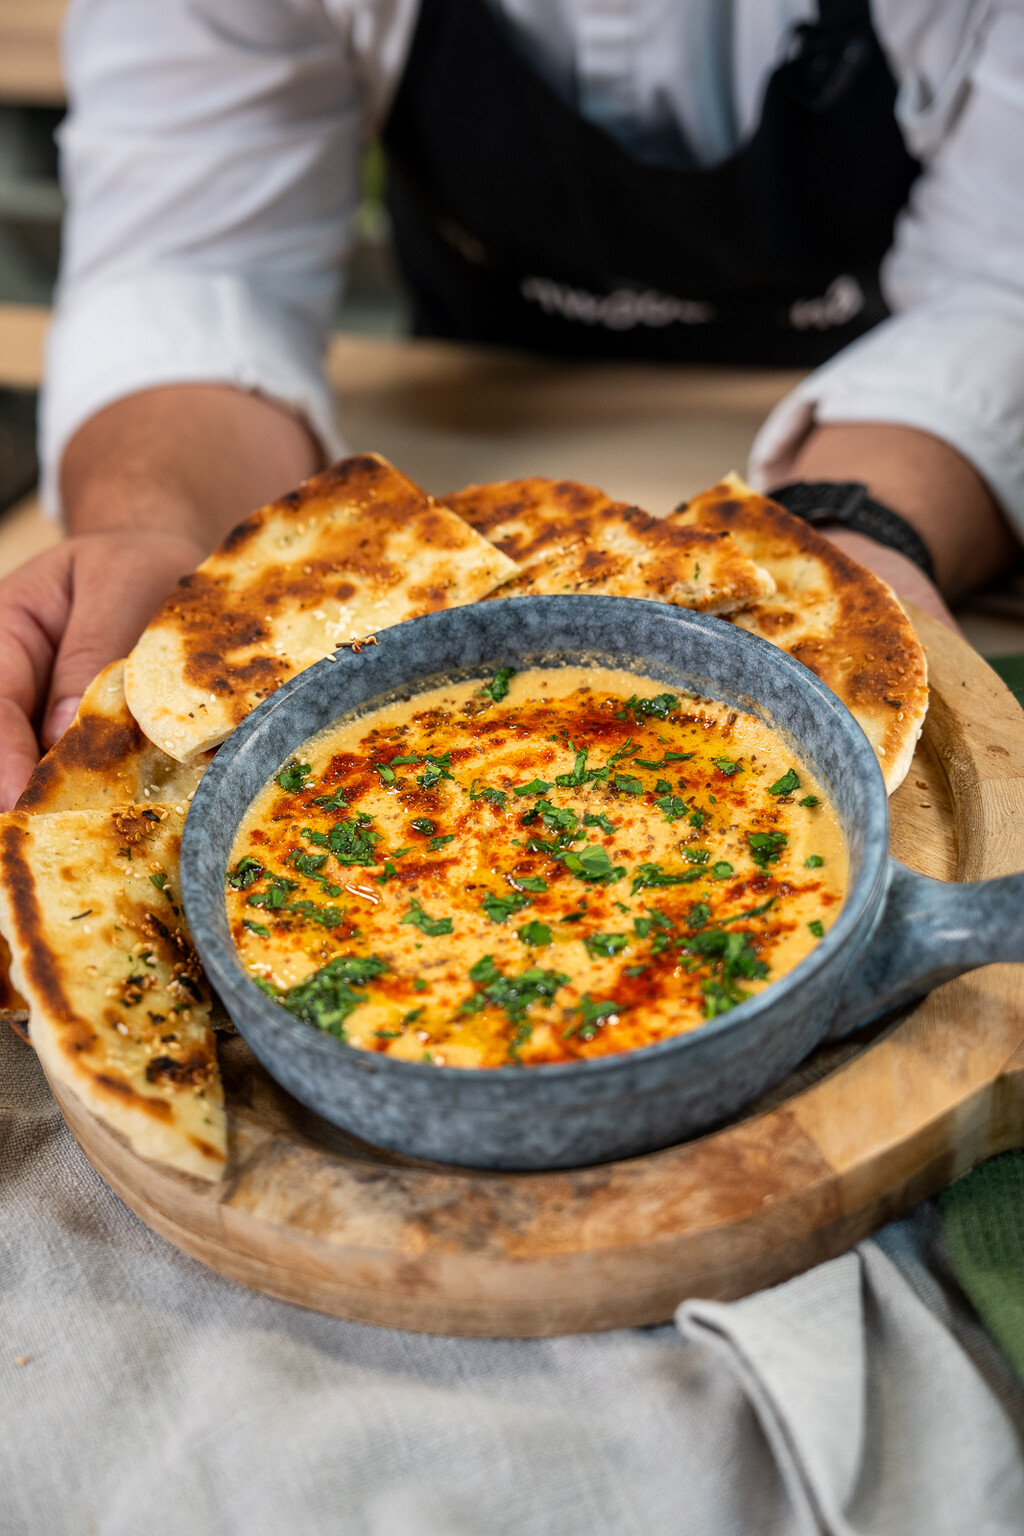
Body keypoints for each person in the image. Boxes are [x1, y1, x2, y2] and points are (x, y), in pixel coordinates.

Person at [1, 0, 1021, 811]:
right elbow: (193, 263)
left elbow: (1002, 285)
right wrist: (157, 530)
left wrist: (852, 533)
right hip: (463, 428)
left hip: (892, 423)